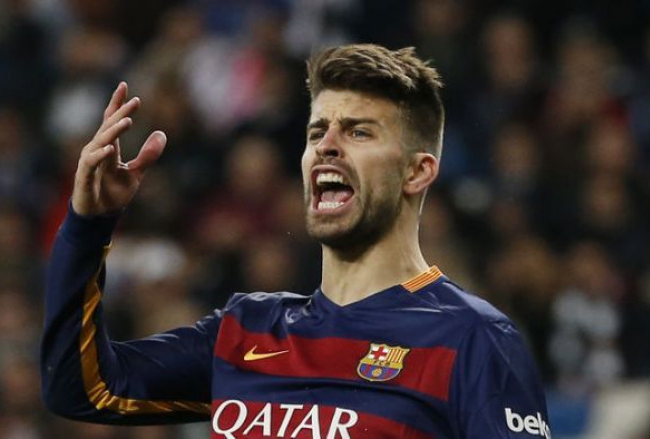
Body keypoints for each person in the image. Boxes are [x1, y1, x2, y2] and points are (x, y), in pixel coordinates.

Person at [42, 44, 550, 438]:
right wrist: (89, 225)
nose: (326, 145)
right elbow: (84, 389)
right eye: (316, 131)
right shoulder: (245, 332)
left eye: (358, 132)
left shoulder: (472, 339)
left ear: (417, 172)